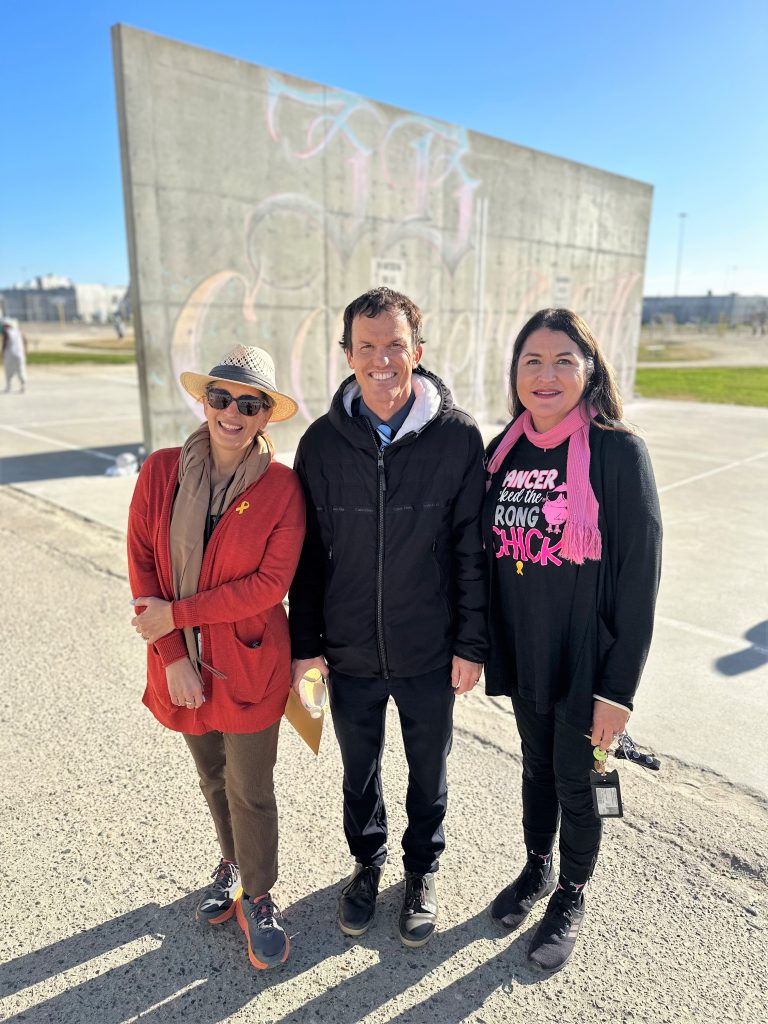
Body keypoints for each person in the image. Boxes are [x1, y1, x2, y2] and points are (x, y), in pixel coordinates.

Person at [289, 287, 487, 948]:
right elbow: (307, 556)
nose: (381, 360)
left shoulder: (457, 439)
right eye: (366, 347)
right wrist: (306, 645)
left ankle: (422, 869)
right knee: (359, 768)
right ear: (348, 355)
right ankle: (367, 862)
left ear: (417, 353)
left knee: (429, 769)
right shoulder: (319, 445)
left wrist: (471, 641)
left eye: (394, 346)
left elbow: (470, 549)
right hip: (348, 652)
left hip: (430, 650)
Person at [483, 308, 662, 972]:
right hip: (526, 649)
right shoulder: (505, 449)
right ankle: (536, 868)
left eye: (563, 360)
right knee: (534, 769)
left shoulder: (618, 452)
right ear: (516, 375)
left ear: (589, 370)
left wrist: (619, 693)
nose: (547, 375)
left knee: (578, 780)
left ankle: (571, 893)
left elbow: (640, 579)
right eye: (533, 361)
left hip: (587, 660)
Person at [127, 344, 305, 971]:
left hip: (250, 664)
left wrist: (175, 616)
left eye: (249, 403)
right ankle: (230, 864)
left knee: (250, 787)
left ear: (265, 417)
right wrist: (173, 652)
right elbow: (144, 567)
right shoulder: (160, 471)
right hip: (182, 665)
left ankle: (258, 894)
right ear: (204, 401)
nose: (232, 412)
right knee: (210, 775)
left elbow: (267, 587)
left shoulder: (283, 489)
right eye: (221, 397)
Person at [2, 318, 27, 393]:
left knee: (8, 371)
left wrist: (2, 353)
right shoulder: (20, 332)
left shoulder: (7, 332)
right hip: (20, 354)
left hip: (9, 353)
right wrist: (25, 350)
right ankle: (23, 386)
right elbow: (25, 341)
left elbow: (4, 343)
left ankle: (9, 387)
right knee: (21, 370)